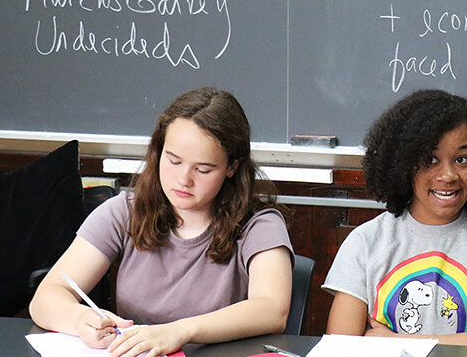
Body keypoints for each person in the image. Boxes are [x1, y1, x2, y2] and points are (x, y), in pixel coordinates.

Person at [29, 87, 293, 357]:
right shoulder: (124, 212)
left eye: (203, 169)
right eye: (173, 161)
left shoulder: (259, 225)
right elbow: (46, 297)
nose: (183, 180)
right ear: (158, 151)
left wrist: (179, 331)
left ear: (232, 167)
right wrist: (79, 320)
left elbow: (271, 309)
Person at [323, 89, 467, 348]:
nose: (448, 175)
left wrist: (396, 342)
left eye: (462, 159)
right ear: (402, 164)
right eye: (430, 160)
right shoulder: (365, 242)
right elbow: (341, 348)